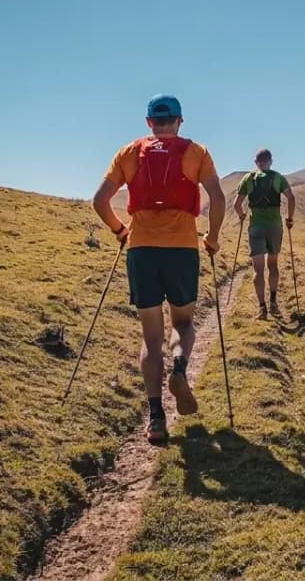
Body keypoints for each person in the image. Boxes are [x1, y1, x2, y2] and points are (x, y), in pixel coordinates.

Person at [92, 94, 226, 443]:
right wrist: (211, 238)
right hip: (182, 250)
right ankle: (180, 369)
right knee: (183, 322)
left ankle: (155, 419)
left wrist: (120, 231)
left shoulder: (128, 153)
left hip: (142, 250)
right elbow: (218, 197)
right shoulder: (197, 152)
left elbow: (99, 201)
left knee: (151, 339)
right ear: (180, 121)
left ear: (149, 122)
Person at [231, 149, 296, 319]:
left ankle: (262, 308)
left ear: (256, 162)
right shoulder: (278, 178)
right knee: (273, 265)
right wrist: (289, 219)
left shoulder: (248, 179)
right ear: (270, 161)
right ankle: (274, 302)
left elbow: (236, 204)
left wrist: (242, 215)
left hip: (256, 227)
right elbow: (291, 198)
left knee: (258, 270)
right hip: (274, 226)